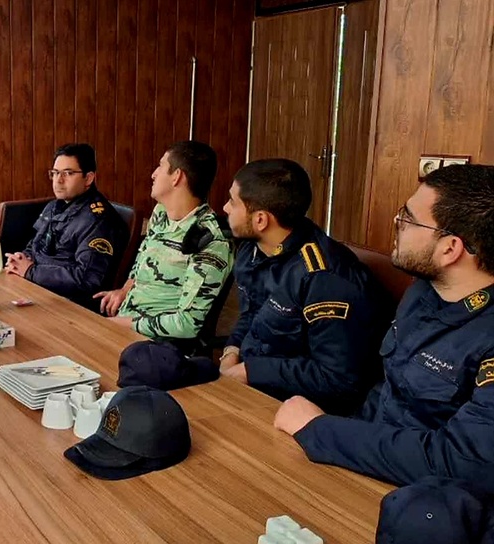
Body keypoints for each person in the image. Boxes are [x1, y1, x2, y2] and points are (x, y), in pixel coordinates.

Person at [274, 165, 494, 493]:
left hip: (426, 500)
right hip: (362, 463)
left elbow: (460, 461)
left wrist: (321, 430)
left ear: (450, 248)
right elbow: (388, 391)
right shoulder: (424, 292)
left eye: (407, 219)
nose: (397, 225)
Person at [219, 158, 386, 415]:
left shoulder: (324, 278)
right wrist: (231, 351)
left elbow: (338, 380)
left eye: (233, 202)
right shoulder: (252, 250)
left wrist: (251, 371)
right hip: (254, 389)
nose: (225, 208)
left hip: (302, 410)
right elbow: (252, 314)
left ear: (261, 219)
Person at [94, 141, 233, 343]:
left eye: (160, 166)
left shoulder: (210, 241)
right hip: (124, 324)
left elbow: (187, 324)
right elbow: (144, 260)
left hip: (157, 344)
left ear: (177, 176)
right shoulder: (161, 213)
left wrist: (120, 323)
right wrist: (124, 290)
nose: (154, 174)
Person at [5, 143, 129, 310]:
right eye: (55, 173)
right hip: (39, 288)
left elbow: (86, 279)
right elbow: (35, 245)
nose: (59, 180)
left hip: (70, 304)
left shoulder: (99, 220)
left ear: (89, 178)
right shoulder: (54, 206)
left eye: (68, 173)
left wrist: (31, 272)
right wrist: (20, 259)